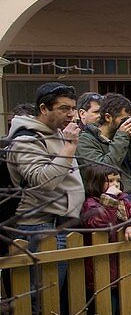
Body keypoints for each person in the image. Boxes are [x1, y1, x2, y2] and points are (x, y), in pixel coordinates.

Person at [6, 82, 84, 239]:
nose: (71, 114)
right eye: (64, 108)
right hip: (41, 225)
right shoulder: (26, 139)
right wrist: (69, 147)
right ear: (43, 109)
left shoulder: (58, 132)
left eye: (73, 108)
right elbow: (44, 181)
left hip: (64, 222)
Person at [80, 164, 131, 315]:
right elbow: (100, 223)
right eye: (110, 181)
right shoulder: (90, 204)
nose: (115, 184)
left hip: (128, 265)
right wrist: (110, 199)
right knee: (109, 312)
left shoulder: (125, 202)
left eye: (117, 180)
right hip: (104, 270)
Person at [76, 93, 131, 193]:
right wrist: (121, 137)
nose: (128, 124)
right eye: (124, 120)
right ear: (108, 117)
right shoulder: (85, 141)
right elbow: (103, 171)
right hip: (104, 200)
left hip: (129, 198)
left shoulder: (122, 138)